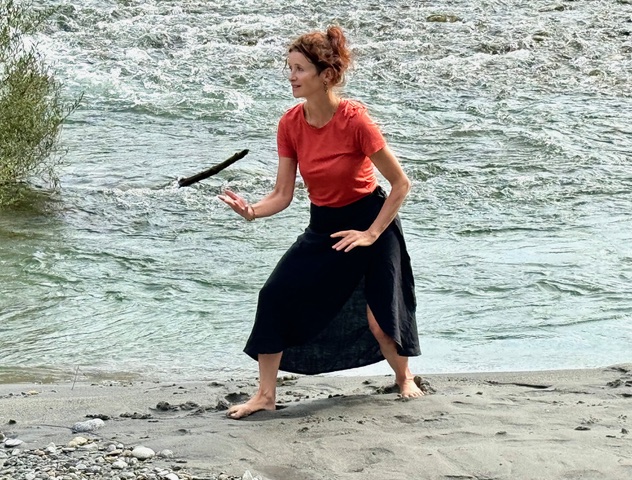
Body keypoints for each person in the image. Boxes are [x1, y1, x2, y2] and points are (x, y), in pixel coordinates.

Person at [218, 26, 423, 419]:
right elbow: (282, 194)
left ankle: (404, 377)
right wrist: (253, 211)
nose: (291, 76)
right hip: (324, 225)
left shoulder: (355, 122)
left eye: (299, 69)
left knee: (381, 323)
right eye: (289, 68)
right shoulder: (290, 124)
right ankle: (265, 395)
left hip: (371, 222)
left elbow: (400, 184)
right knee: (274, 295)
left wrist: (371, 233)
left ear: (326, 75)